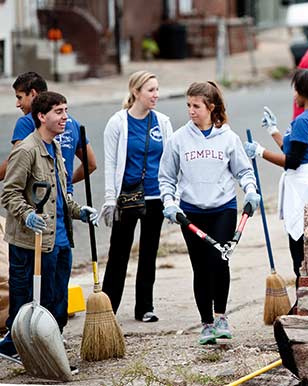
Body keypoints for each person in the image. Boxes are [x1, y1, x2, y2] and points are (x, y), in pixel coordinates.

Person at [158, 81, 260, 345]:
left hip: (223, 209)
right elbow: (167, 177)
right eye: (188, 105)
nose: (191, 111)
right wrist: (169, 202)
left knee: (219, 260)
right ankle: (206, 324)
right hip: (191, 212)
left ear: (210, 107)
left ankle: (221, 316)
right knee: (200, 268)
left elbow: (244, 171)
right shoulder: (178, 139)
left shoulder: (228, 138)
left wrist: (250, 190)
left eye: (196, 106)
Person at [0, 91, 98, 362]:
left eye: (66, 110)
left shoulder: (54, 147)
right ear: (42, 116)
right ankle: (18, 347)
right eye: (59, 112)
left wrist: (79, 212)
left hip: (59, 238)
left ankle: (49, 348)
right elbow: (9, 193)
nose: (65, 117)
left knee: (56, 300)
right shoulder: (27, 150)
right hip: (31, 242)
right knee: (27, 299)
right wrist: (27, 214)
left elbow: (59, 194)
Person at [245, 68, 308, 294]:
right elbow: (294, 150)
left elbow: (292, 161)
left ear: (305, 91)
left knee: (300, 252)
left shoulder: (304, 120)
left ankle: (304, 301)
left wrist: (260, 151)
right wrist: (273, 131)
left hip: (303, 186)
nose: (294, 95)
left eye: (296, 90)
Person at [100, 71, 173, 323]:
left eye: (157, 89)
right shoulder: (117, 122)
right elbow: (110, 163)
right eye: (151, 90)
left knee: (149, 252)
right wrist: (110, 199)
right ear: (136, 92)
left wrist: (172, 197)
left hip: (156, 197)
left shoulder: (162, 121)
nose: (156, 95)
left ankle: (145, 307)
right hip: (127, 197)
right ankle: (108, 308)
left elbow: (170, 161)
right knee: (119, 252)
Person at [0, 72, 97, 190]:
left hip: (38, 197)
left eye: (20, 97)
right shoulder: (71, 122)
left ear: (32, 94)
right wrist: (64, 183)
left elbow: (15, 164)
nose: (18, 104)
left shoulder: (27, 122)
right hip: (66, 198)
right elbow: (91, 164)